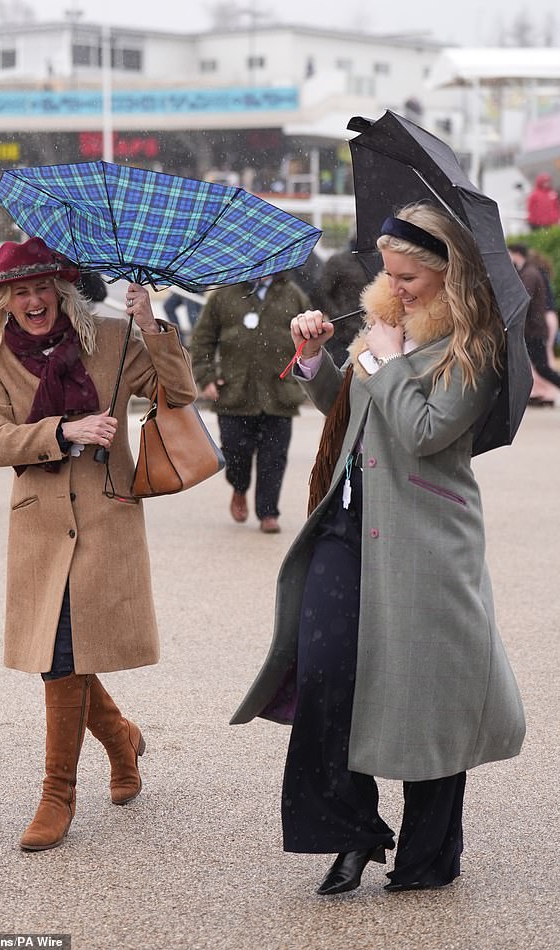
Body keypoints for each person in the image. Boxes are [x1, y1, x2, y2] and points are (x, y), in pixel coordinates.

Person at [231, 203, 525, 895]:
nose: (396, 288)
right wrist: (314, 360)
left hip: (426, 541)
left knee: (428, 698)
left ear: (448, 274)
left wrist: (390, 362)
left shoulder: (474, 350)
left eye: (411, 276)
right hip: (347, 526)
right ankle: (350, 829)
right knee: (328, 677)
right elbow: (351, 406)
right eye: (389, 275)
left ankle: (430, 853)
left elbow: (423, 431)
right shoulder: (384, 327)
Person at [0, 236, 196, 852]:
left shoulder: (112, 342)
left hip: (106, 516)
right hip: (40, 524)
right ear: (5, 301)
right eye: (21, 291)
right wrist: (64, 430)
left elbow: (180, 393)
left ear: (63, 293)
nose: (33, 300)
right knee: (61, 650)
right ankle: (121, 740)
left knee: (66, 650)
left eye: (43, 288)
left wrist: (152, 326)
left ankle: (56, 793)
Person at [191, 272, 310, 533]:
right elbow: (202, 340)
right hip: (234, 394)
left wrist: (302, 377)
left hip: (279, 395)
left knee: (274, 457)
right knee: (235, 453)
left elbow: (309, 343)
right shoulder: (224, 295)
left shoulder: (293, 295)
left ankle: (268, 512)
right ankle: (239, 487)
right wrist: (206, 377)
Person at [508, 243, 560, 393]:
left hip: (534, 331)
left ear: (517, 254)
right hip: (533, 329)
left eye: (510, 253)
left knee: (542, 368)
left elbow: (523, 299)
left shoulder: (529, 273)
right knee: (540, 367)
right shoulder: (527, 271)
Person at [319, 237, 369, 366]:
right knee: (343, 376)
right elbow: (322, 291)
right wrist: (338, 315)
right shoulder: (338, 261)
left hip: (368, 331)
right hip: (342, 335)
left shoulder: (375, 261)